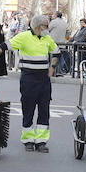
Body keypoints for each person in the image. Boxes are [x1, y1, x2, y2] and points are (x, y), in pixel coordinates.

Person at [10, 17, 58, 150]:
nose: (47, 29)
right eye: (46, 26)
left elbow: (56, 53)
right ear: (38, 26)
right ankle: (28, 140)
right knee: (28, 109)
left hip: (44, 79)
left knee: (44, 110)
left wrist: (52, 67)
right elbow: (6, 45)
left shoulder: (47, 38)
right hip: (28, 78)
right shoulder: (24, 37)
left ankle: (41, 141)